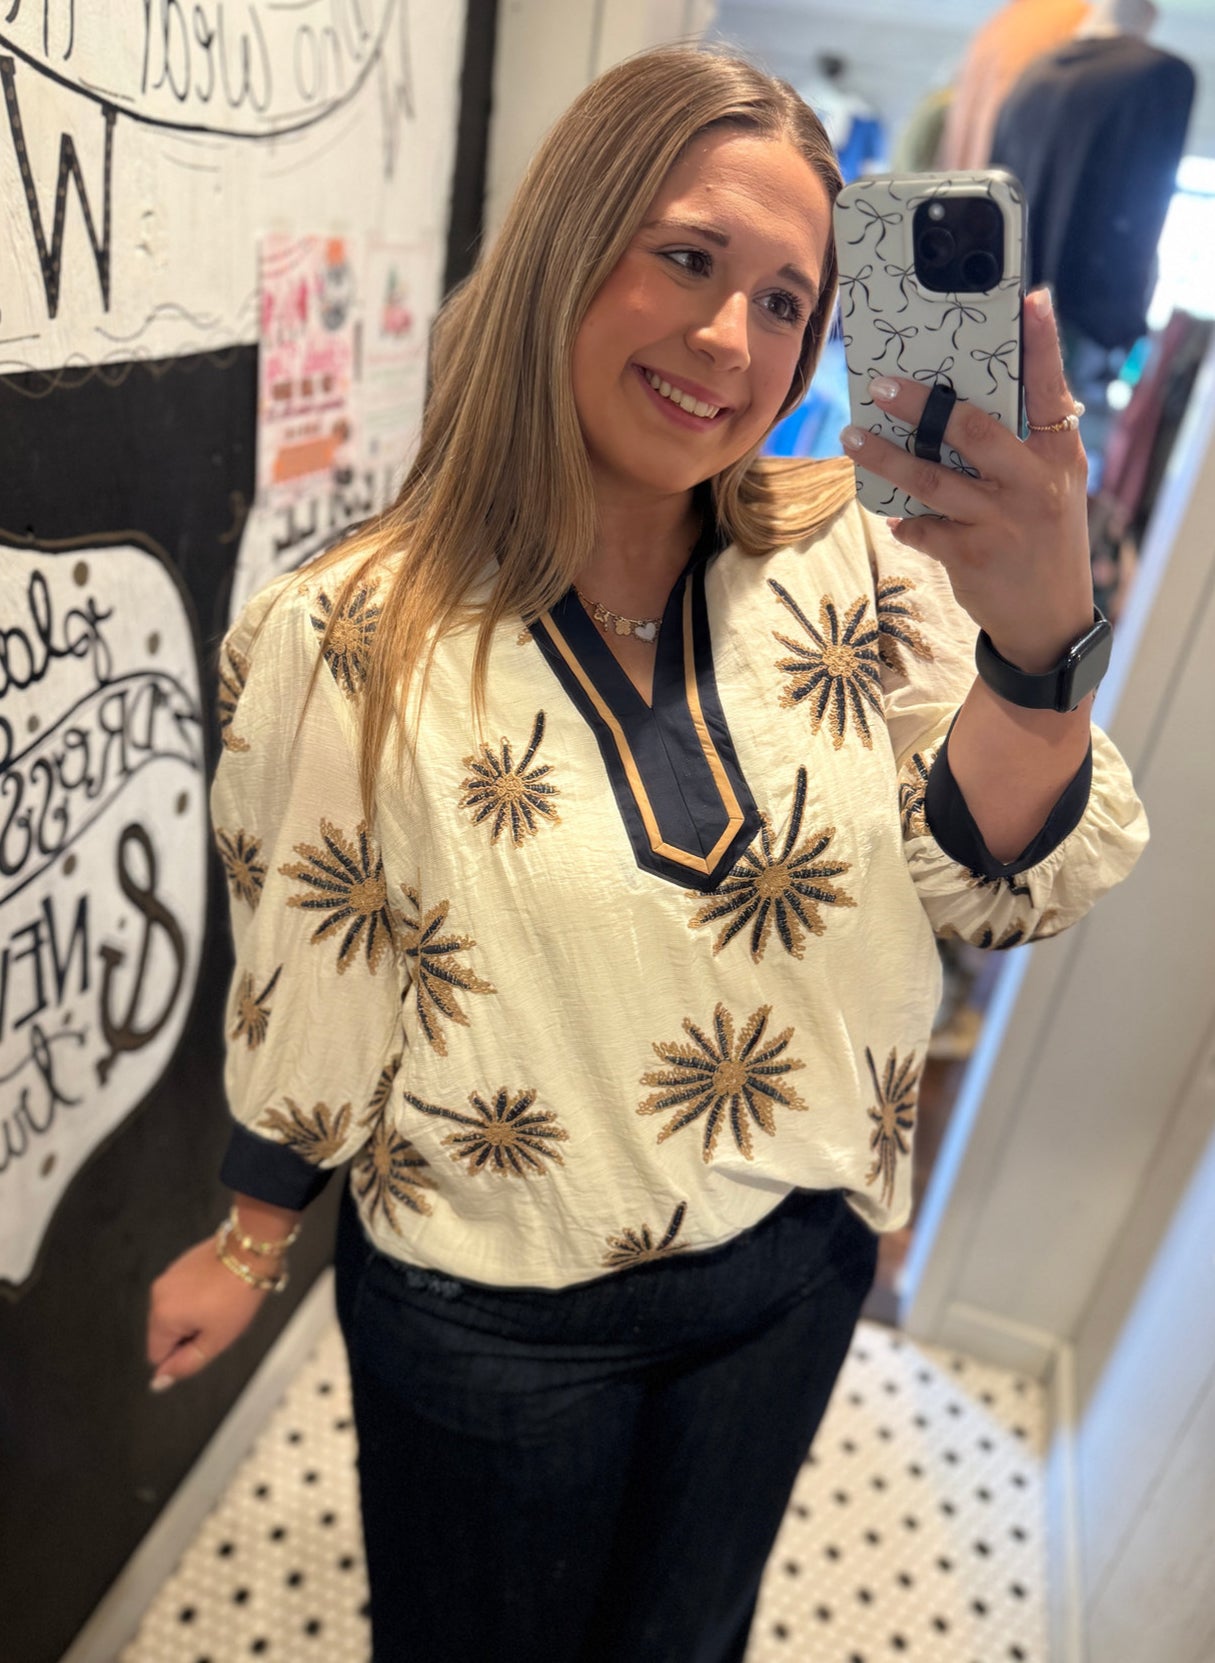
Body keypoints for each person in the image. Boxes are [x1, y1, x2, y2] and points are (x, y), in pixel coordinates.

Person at [146, 46, 1147, 1663]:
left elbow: (997, 885)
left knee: (687, 1642)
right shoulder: (344, 637)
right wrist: (252, 1230)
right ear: (565, 242)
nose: (724, 342)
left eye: (781, 303)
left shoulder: (854, 566)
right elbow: (316, 965)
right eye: (687, 258)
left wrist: (1035, 645)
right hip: (492, 1315)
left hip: (793, 1269)